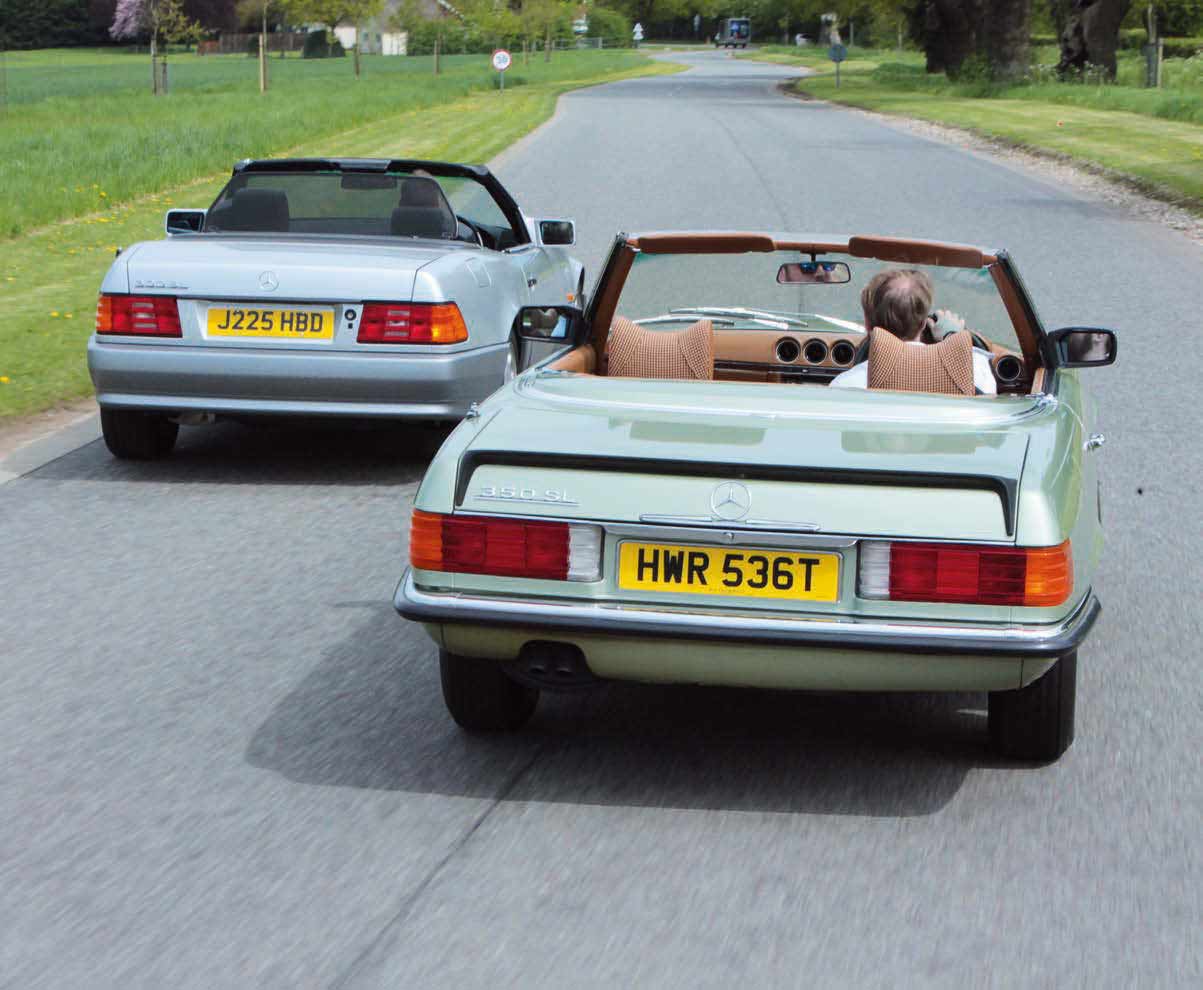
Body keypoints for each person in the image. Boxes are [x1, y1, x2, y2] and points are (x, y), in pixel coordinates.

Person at [829, 268, 996, 394]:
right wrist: (952, 337)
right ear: (923, 323)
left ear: (867, 324)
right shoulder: (974, 374)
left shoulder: (845, 386)